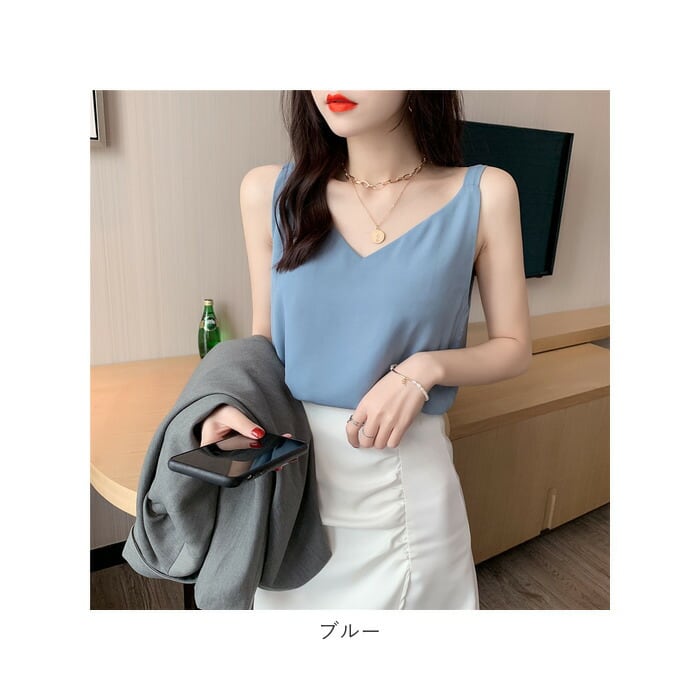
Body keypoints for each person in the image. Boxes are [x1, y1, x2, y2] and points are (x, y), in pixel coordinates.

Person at [200, 90, 532, 609]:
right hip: (291, 480)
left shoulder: (485, 193)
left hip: (406, 483)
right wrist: (231, 401)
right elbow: (264, 339)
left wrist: (424, 369)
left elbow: (514, 347)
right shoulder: (268, 190)